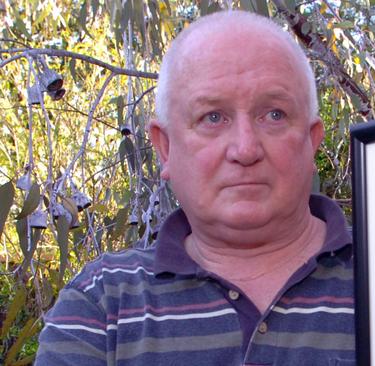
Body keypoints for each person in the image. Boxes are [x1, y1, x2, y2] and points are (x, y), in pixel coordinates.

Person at [36, 10, 355, 365]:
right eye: (212, 117)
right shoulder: (102, 306)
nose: (245, 149)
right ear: (165, 149)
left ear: (312, 142)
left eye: (274, 114)